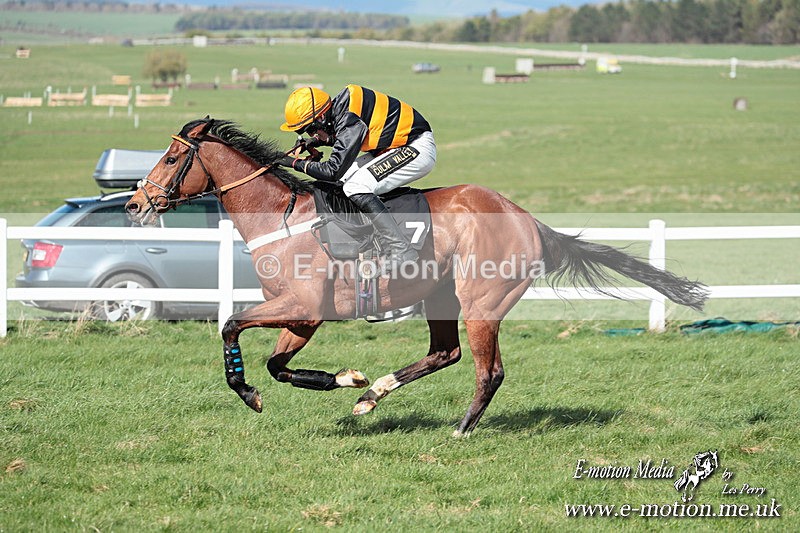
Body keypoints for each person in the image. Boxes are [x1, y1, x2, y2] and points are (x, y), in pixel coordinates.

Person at [277, 85, 436, 266]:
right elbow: (344, 139)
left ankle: (401, 248)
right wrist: (316, 141)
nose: (310, 134)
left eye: (309, 129)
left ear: (321, 117)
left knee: (355, 186)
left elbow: (333, 170)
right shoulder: (341, 109)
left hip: (416, 148)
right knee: (343, 181)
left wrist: (294, 163)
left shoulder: (348, 118)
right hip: (393, 147)